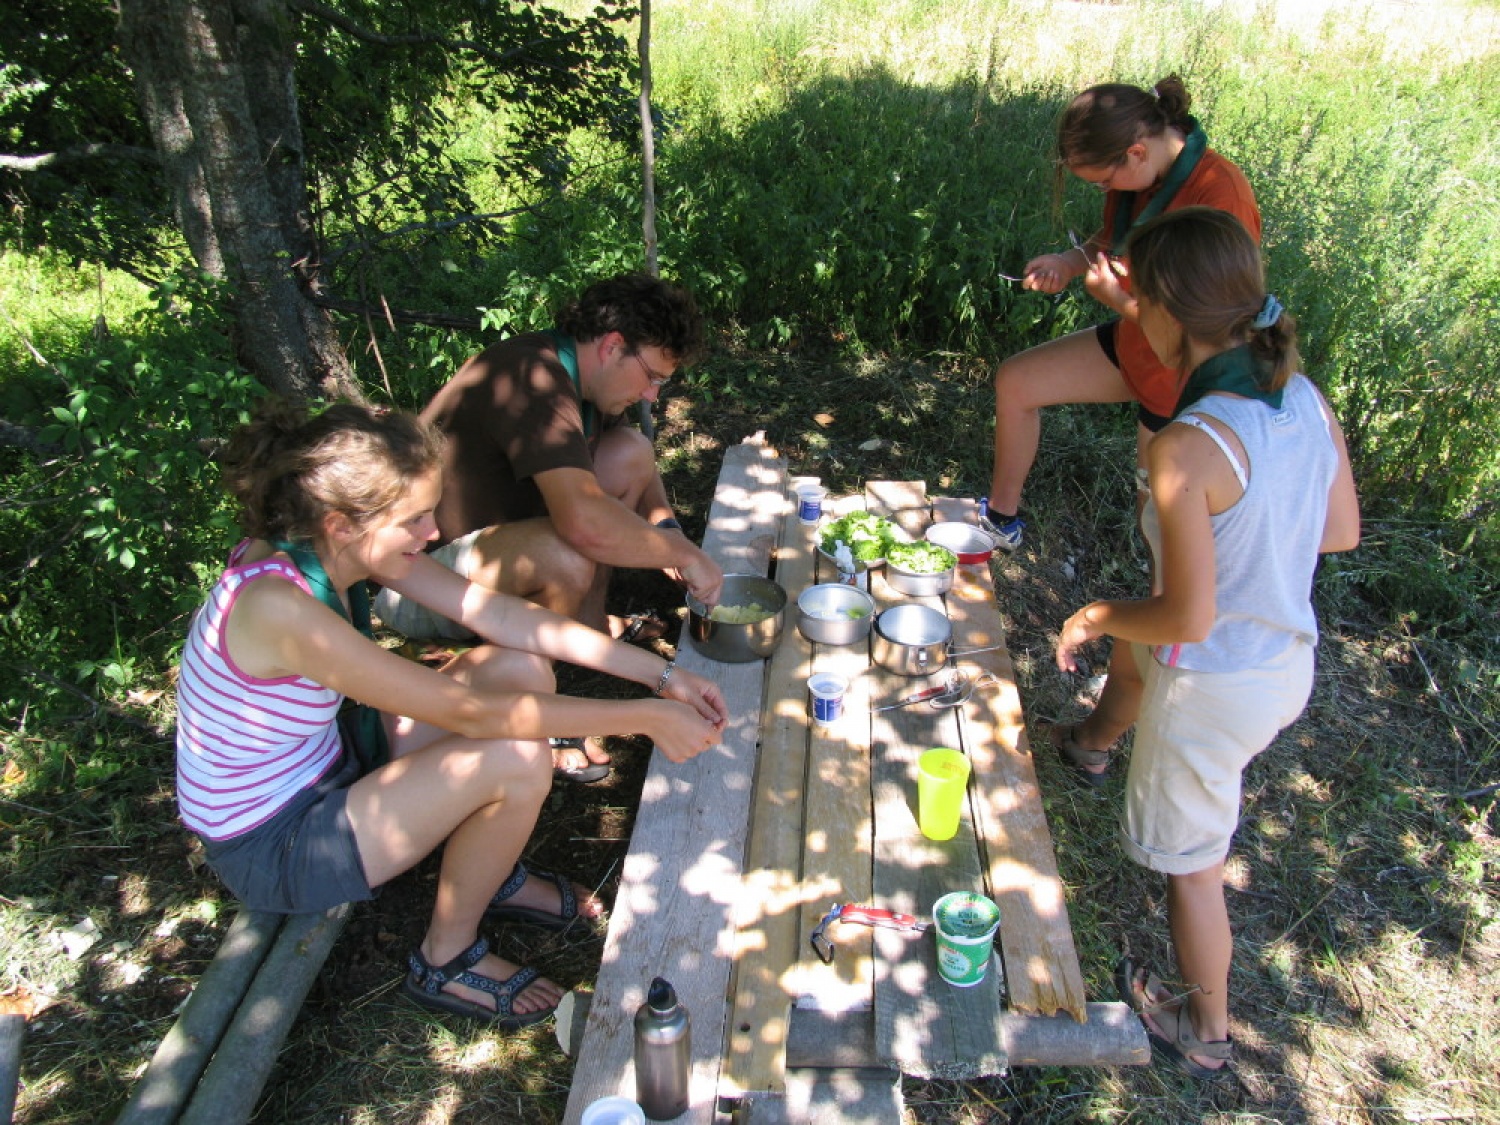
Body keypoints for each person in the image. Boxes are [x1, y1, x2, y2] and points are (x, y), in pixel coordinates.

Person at [175, 400, 728, 1028]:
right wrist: (647, 718)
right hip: (277, 841)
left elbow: (502, 616)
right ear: (341, 524)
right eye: (414, 518)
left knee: (518, 665)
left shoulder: (325, 546)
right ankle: (447, 958)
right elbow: (466, 711)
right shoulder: (280, 608)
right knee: (515, 757)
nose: (433, 532)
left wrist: (660, 674)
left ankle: (492, 869)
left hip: (327, 765)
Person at [1051, 207, 1360, 1077]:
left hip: (1212, 680)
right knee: (1155, 693)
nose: (1133, 310)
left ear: (1169, 314)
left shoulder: (1187, 444)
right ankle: (1091, 742)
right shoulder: (1299, 394)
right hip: (1283, 663)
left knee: (1194, 866)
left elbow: (1183, 619)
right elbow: (1338, 531)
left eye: (1141, 295)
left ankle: (1207, 1029)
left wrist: (1099, 613)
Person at [373, 272, 725, 783]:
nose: (651, 395)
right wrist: (687, 556)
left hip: (493, 562)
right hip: (420, 578)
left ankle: (582, 632)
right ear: (612, 347)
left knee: (628, 453)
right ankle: (538, 708)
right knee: (568, 549)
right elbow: (582, 524)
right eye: (652, 376)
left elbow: (639, 472)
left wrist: (672, 538)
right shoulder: (532, 378)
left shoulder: (580, 381)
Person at [983, 76, 1261, 552]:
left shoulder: (1220, 193)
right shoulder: (1140, 174)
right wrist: (1068, 264)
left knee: (1158, 525)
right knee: (1016, 381)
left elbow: (1207, 326)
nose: (1105, 190)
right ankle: (999, 522)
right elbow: (1109, 238)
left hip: (1182, 374)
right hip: (1136, 341)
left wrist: (1117, 300)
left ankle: (1165, 622)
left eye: (1104, 182)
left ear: (1135, 152)